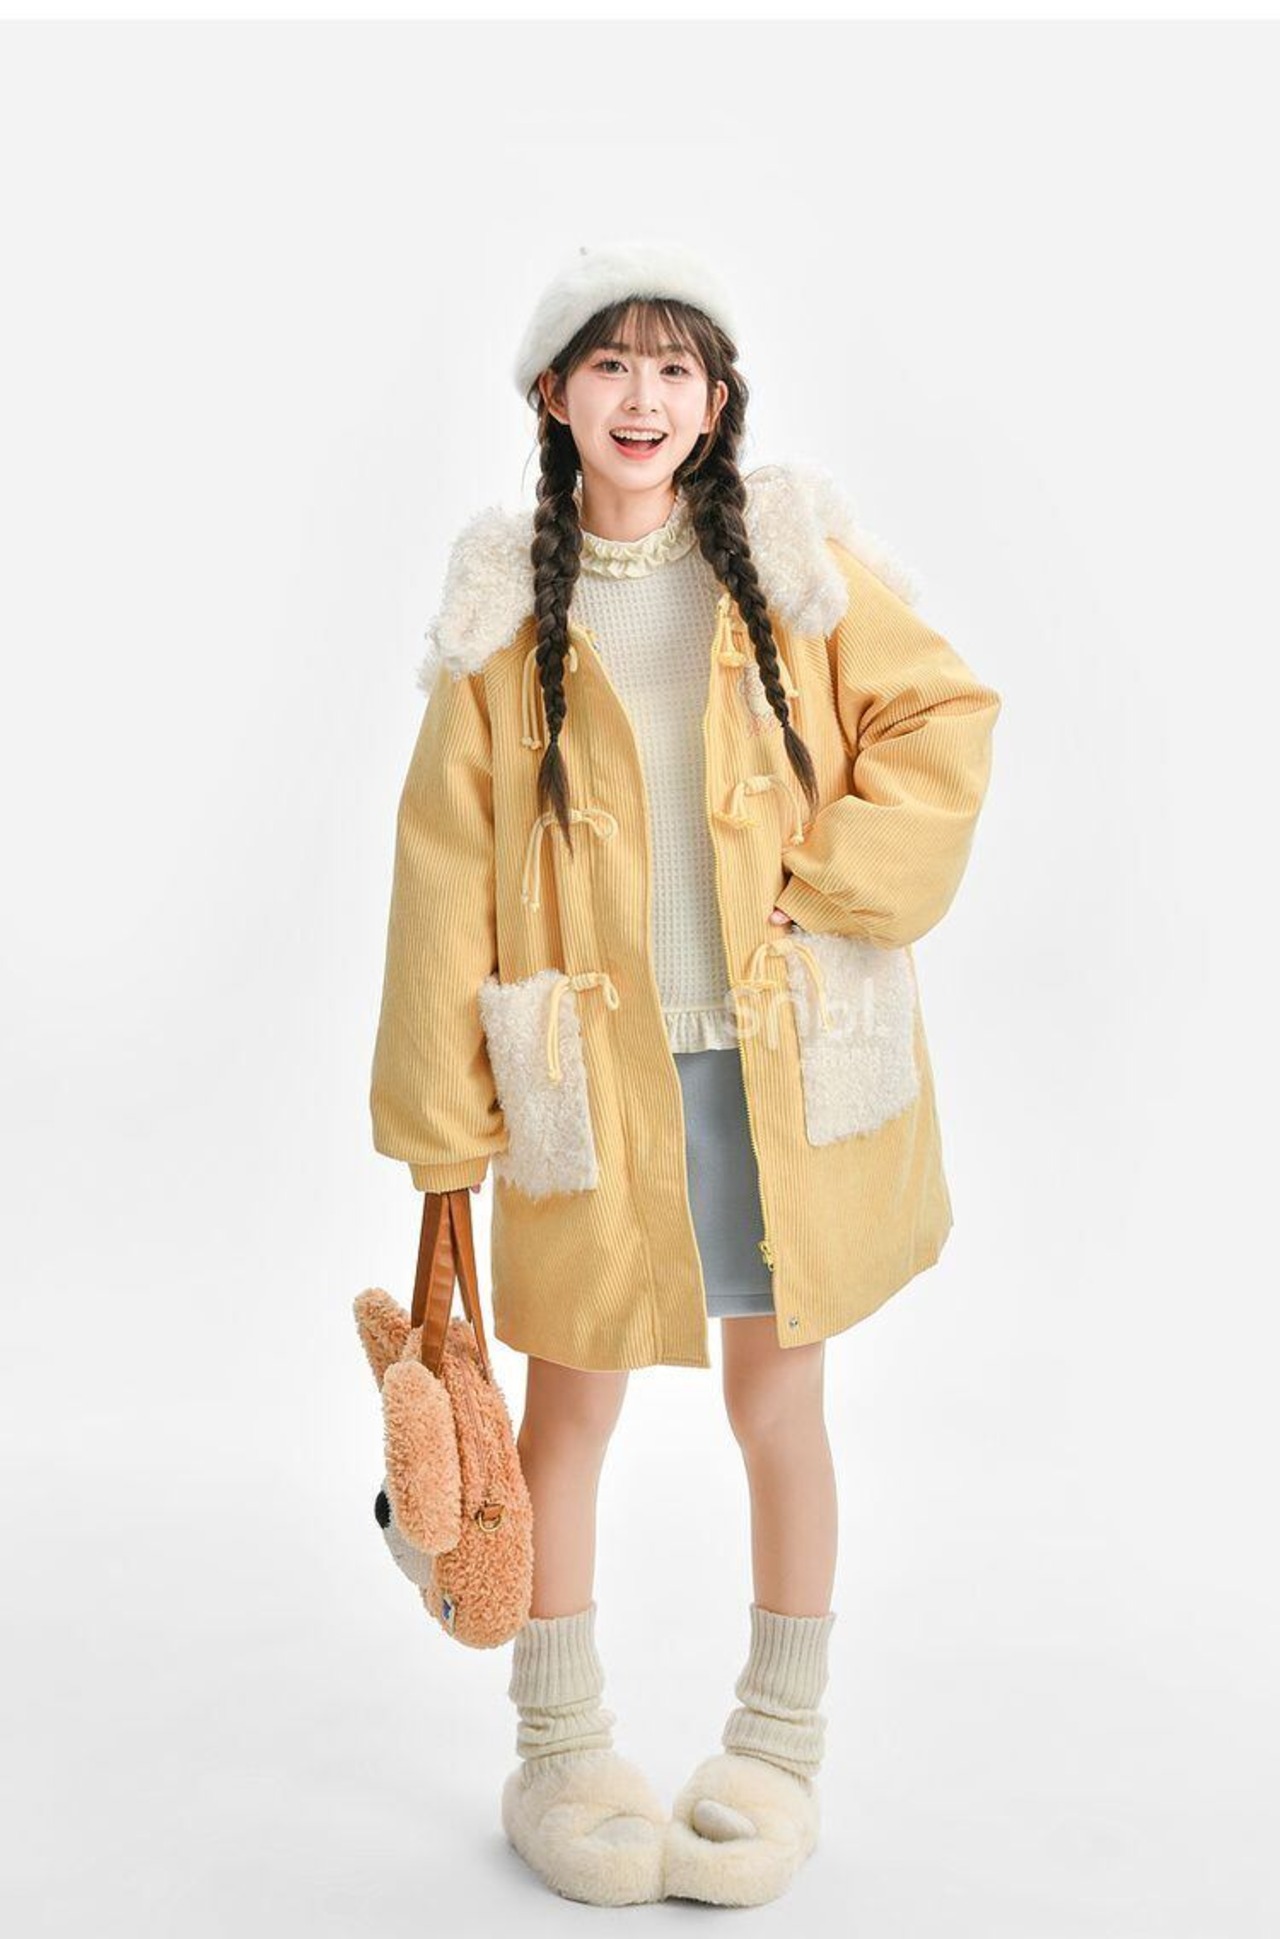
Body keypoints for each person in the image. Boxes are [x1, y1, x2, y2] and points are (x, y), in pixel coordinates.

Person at [368, 237, 1002, 1906]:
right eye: (610, 363)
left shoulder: (793, 569)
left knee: (776, 1403)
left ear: (715, 403)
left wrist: (831, 884)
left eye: (674, 367)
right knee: (567, 1412)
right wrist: (442, 1131)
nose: (641, 396)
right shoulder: (501, 620)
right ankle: (561, 1749)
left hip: (779, 1071)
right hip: (594, 1088)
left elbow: (941, 717)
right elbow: (442, 880)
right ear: (552, 395)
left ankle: (779, 1748)